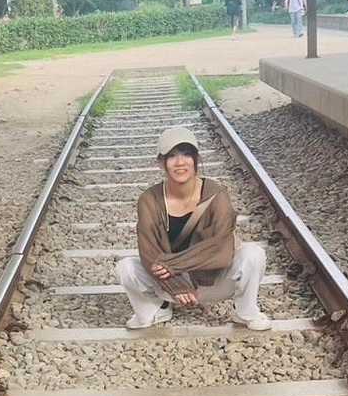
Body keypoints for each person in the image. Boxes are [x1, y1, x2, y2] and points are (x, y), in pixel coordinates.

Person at [116, 125, 274, 333]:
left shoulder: (216, 194)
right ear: (160, 162)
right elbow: (149, 252)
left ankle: (246, 313)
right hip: (169, 286)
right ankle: (155, 310)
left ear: (197, 159)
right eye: (172, 156)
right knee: (126, 267)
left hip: (213, 282)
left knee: (254, 254)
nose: (180, 162)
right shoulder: (149, 199)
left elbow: (221, 250)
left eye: (186, 154)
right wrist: (176, 285)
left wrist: (173, 265)